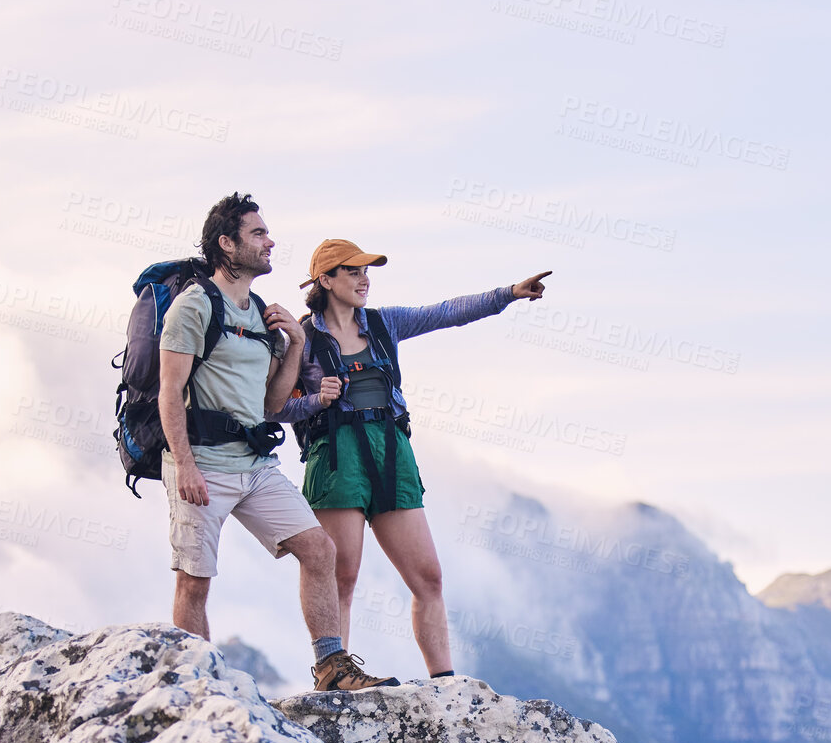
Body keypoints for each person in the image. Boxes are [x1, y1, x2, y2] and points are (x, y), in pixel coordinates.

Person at [158, 197, 399, 692]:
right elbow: (168, 393)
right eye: (258, 234)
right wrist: (184, 466)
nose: (271, 243)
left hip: (255, 463)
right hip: (201, 461)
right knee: (195, 580)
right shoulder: (195, 306)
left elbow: (271, 403)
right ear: (227, 245)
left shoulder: (263, 313)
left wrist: (291, 345)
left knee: (318, 550)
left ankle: (332, 667)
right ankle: (195, 689)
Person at [279, 239, 550, 678]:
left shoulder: (385, 324)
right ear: (325, 281)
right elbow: (274, 407)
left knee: (428, 577)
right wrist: (314, 401)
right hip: (335, 455)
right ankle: (336, 676)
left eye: (367, 271)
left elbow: (446, 312)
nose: (364, 279)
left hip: (392, 450)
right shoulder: (301, 339)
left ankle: (443, 683)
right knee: (340, 576)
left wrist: (509, 294)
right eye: (352, 271)